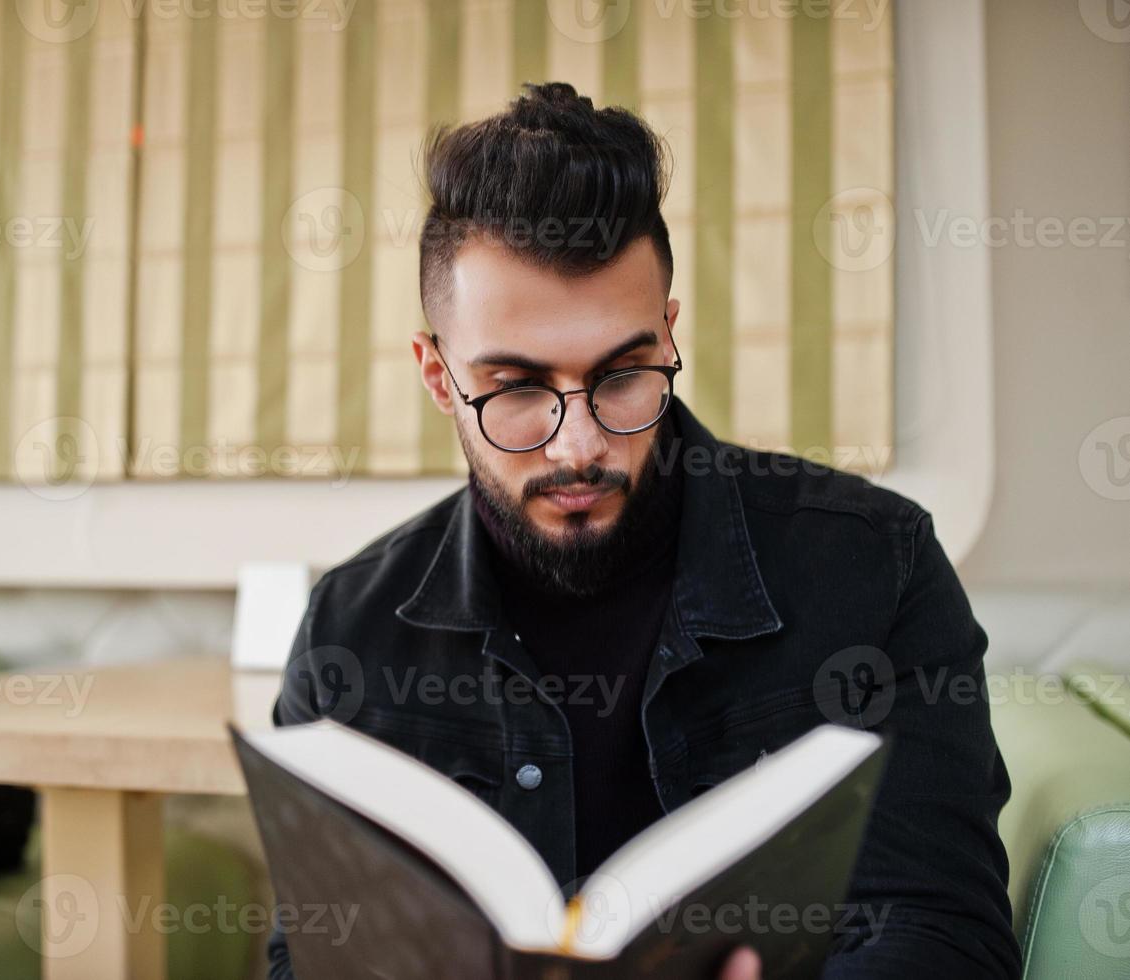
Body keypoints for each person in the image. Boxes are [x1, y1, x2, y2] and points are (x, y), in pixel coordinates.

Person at [266, 82, 1019, 980]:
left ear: (667, 336)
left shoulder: (875, 566)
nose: (580, 446)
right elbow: (308, 960)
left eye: (622, 376)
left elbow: (944, 935)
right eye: (514, 389)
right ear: (437, 376)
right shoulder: (348, 628)